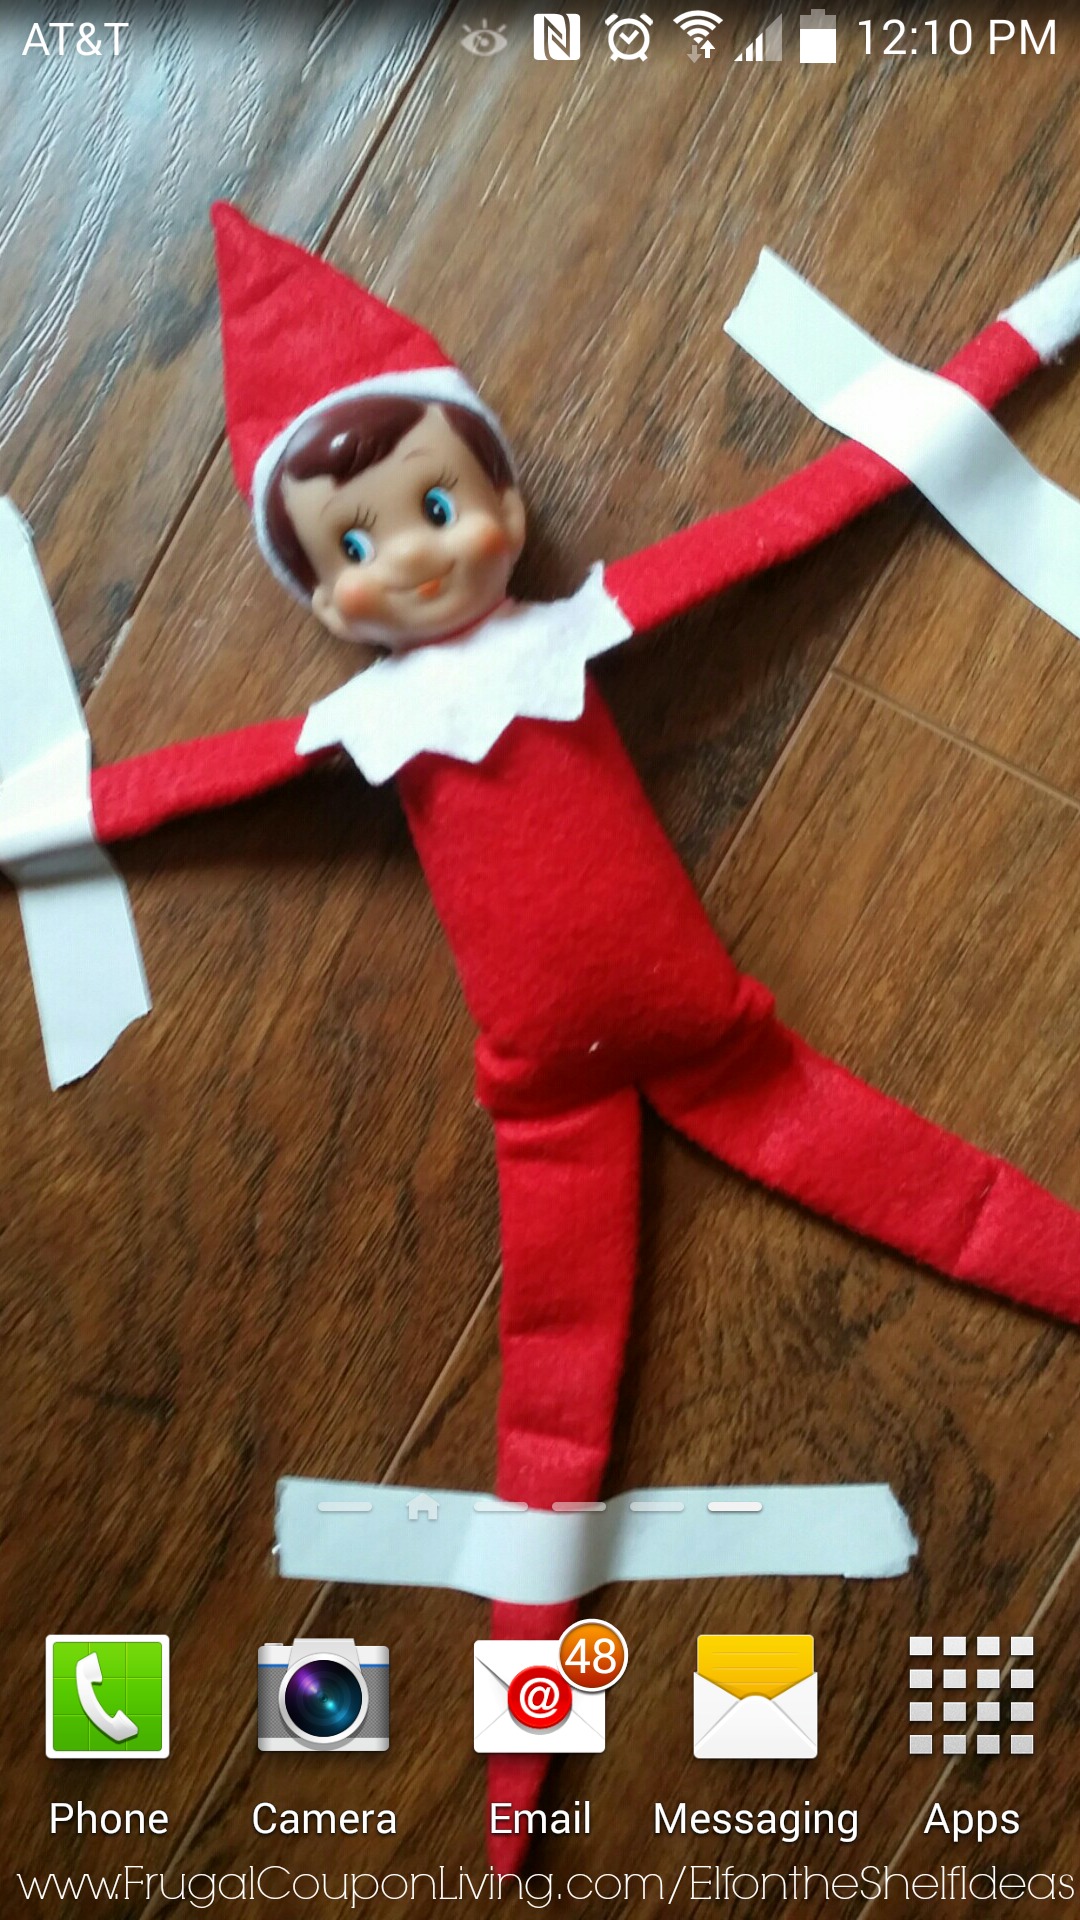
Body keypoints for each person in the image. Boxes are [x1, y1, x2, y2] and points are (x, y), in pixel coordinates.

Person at [6, 205, 1080, 1863]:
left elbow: (824, 500)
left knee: (937, 1203)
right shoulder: (365, 722)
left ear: (504, 498)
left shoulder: (577, 627)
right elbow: (163, 793)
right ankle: (517, 1790)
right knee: (548, 1425)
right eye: (357, 543)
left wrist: (1037, 323)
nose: (414, 556)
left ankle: (517, 1774)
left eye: (439, 505)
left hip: (723, 1048)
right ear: (318, 587)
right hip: (546, 1105)